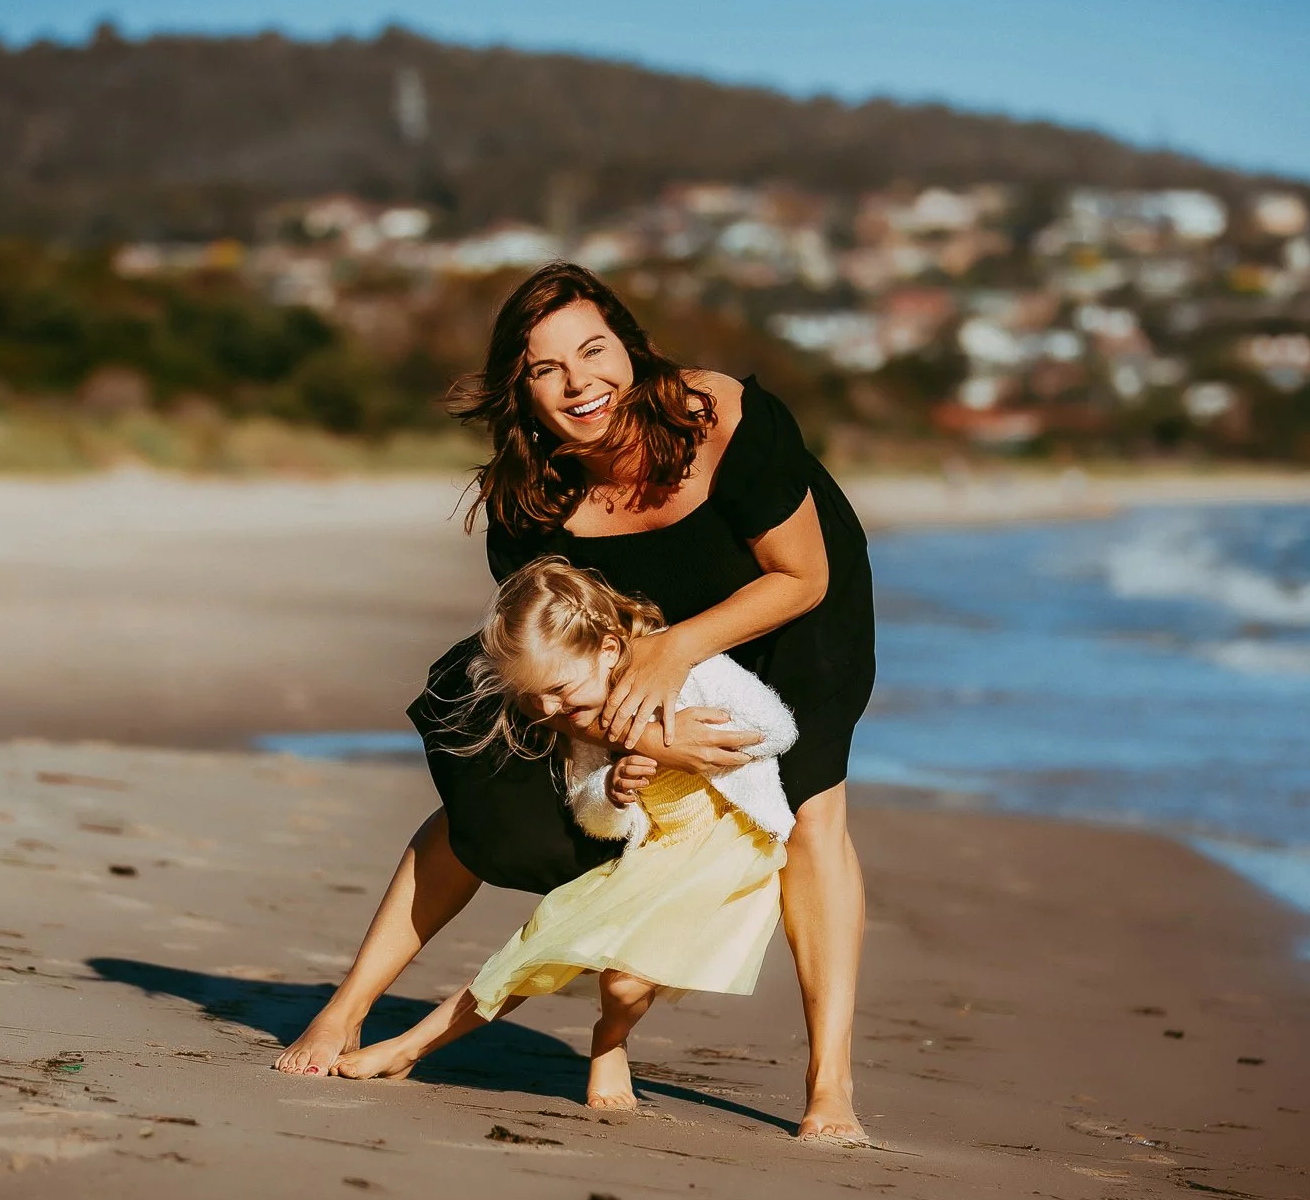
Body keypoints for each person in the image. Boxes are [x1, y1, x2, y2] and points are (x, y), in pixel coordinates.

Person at [275, 261, 875, 1142]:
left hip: (787, 612)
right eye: (546, 368)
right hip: (619, 640)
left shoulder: (722, 420)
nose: (578, 381)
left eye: (593, 350)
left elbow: (804, 575)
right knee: (497, 795)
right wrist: (657, 738)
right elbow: (553, 663)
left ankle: (831, 1086)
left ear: (631, 352)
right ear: (521, 389)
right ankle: (348, 1005)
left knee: (810, 816)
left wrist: (675, 650)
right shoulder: (531, 498)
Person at [332, 556, 799, 1111]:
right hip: (652, 853)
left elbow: (778, 730)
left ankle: (610, 1041)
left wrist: (658, 736)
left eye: (559, 689)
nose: (553, 710)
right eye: (536, 700)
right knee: (530, 954)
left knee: (625, 986)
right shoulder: (583, 724)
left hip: (725, 853)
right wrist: (614, 789)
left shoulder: (692, 672)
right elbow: (592, 813)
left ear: (606, 649)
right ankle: (408, 1049)